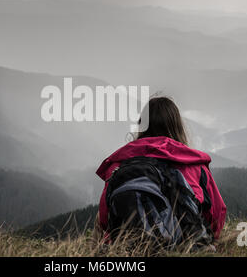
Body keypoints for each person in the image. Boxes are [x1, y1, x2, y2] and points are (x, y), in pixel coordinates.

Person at [95, 96, 227, 242]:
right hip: (186, 246)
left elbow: (104, 219)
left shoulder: (118, 166)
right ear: (177, 126)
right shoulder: (194, 166)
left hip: (129, 250)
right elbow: (216, 215)